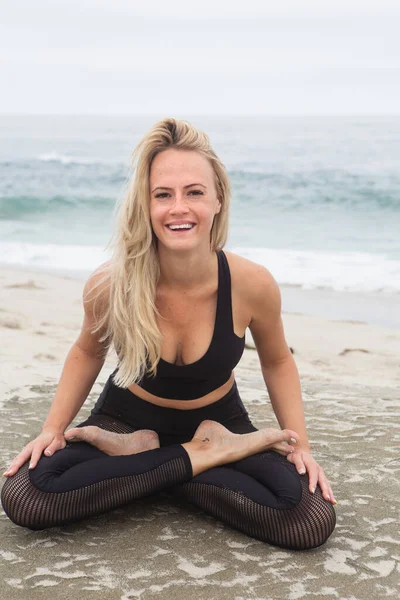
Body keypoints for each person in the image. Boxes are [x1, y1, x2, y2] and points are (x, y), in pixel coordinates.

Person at [1, 118, 336, 550]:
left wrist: (300, 445)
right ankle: (200, 455)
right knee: (27, 496)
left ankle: (153, 464)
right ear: (146, 205)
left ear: (218, 199)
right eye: (163, 195)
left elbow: (277, 360)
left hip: (222, 422)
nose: (179, 207)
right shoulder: (111, 284)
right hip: (124, 422)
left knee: (307, 518)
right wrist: (52, 429)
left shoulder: (252, 284)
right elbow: (87, 350)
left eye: (194, 192)